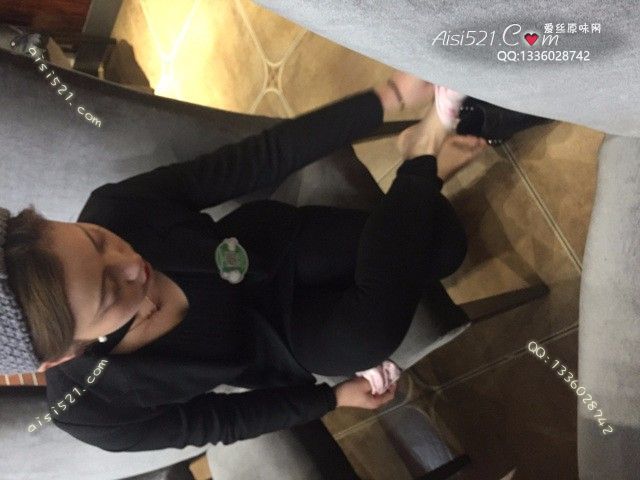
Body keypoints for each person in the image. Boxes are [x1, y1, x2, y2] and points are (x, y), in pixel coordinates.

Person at [0, 70, 487, 451]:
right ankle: (422, 158)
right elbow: (219, 421)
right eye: (110, 292)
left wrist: (385, 98)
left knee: (447, 245)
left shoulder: (117, 207)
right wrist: (331, 398)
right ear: (65, 355)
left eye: (95, 240)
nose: (132, 264)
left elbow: (258, 158)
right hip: (277, 345)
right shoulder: (89, 410)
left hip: (268, 249)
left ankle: (420, 157)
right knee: (371, 330)